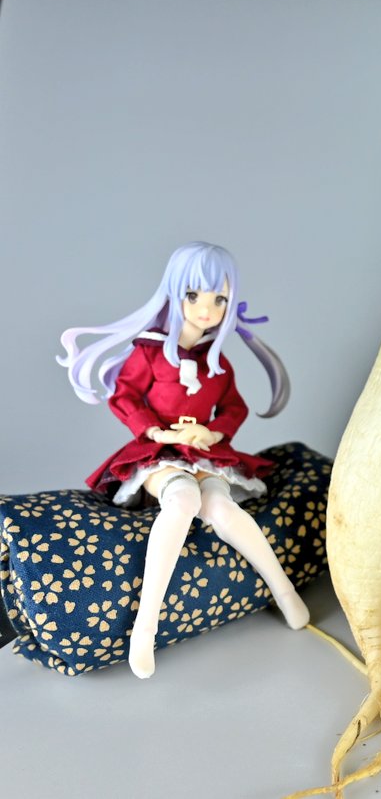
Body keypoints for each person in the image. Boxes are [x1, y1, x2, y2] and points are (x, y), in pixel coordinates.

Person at [58, 242, 309, 678]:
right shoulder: (149, 352)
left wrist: (213, 432)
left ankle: (284, 592)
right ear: (174, 293)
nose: (206, 309)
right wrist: (156, 431)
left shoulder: (217, 363)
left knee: (222, 509)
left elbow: (234, 407)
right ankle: (145, 627)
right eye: (193, 296)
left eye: (219, 299)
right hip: (159, 453)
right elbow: (124, 397)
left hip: (206, 452)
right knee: (182, 501)